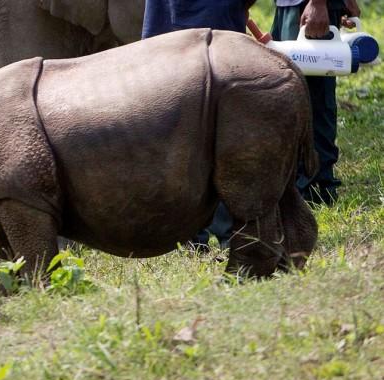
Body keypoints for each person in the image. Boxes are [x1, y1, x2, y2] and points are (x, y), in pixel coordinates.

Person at [141, 0, 256, 250]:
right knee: (208, 134)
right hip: (188, 26)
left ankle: (207, 234)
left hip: (197, 28)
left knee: (205, 134)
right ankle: (211, 233)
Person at [271, 0, 361, 205]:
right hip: (290, 5)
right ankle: (302, 183)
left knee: (311, 97)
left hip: (308, 6)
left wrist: (318, 3)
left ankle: (315, 188)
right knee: (291, 91)